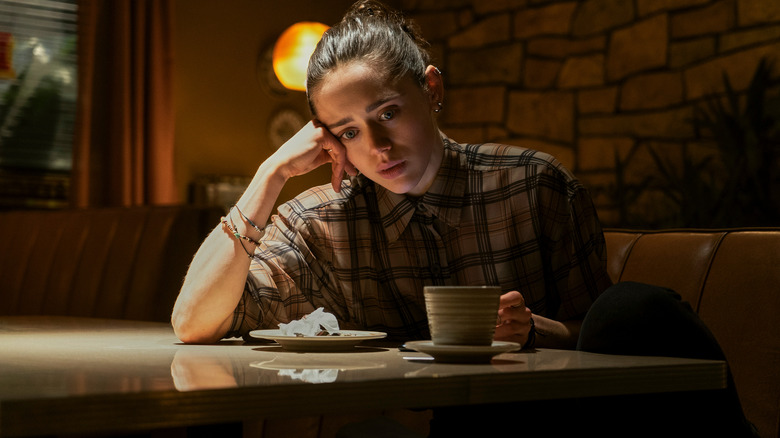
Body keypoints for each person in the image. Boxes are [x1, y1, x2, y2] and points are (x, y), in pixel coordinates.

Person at [171, 1, 756, 436]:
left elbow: (599, 337)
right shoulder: (322, 223)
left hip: (562, 419)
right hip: (449, 424)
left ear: (432, 89)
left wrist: (533, 332)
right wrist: (270, 173)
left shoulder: (534, 186)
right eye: (348, 131)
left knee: (629, 309)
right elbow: (194, 323)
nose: (376, 146)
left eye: (388, 112)